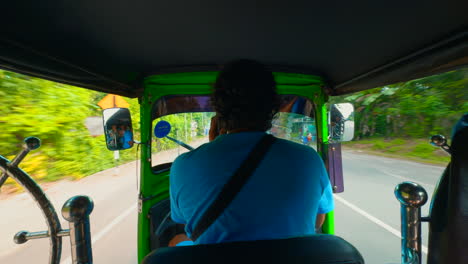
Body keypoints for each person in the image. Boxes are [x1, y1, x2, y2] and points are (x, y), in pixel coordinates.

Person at [169, 59, 334, 245]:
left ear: (219, 113)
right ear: (272, 109)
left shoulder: (184, 165)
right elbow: (318, 220)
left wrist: (216, 147)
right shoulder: (308, 159)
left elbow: (188, 224)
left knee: (177, 241)